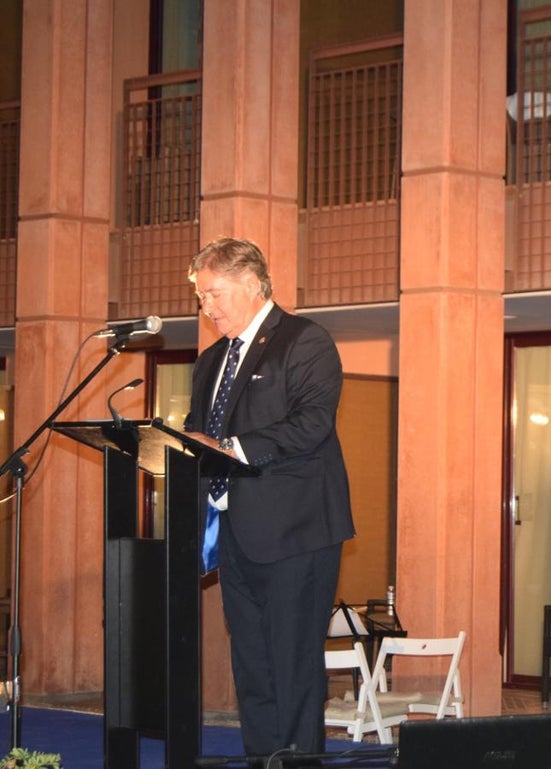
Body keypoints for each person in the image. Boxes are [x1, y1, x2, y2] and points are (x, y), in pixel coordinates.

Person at [183, 237, 355, 760]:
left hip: (297, 531)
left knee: (293, 659)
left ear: (252, 285)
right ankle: (261, 758)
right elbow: (199, 433)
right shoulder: (212, 359)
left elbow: (312, 424)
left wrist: (231, 447)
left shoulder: (305, 341)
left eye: (213, 294)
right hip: (234, 533)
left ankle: (300, 761)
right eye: (200, 297)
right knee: (252, 662)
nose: (205, 308)